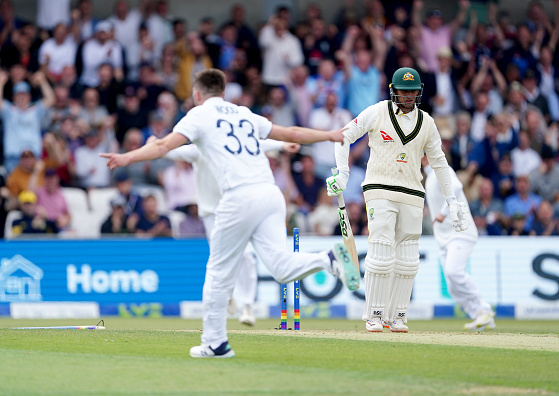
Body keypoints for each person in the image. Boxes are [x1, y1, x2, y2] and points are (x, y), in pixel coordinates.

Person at [100, 68, 359, 358]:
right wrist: (330, 134)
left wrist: (126, 157)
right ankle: (328, 259)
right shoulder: (244, 113)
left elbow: (162, 145)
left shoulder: (199, 115)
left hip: (240, 197)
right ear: (223, 92)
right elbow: (292, 132)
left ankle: (215, 343)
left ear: (197, 95)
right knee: (281, 268)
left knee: (218, 271)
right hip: (271, 194)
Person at [326, 67, 470, 333]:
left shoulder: (427, 122)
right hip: (379, 187)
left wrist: (452, 200)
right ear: (393, 91)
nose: (408, 96)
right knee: (381, 252)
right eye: (404, 92)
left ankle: (398, 316)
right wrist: (343, 173)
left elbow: (439, 163)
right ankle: (374, 314)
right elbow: (343, 136)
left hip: (413, 192)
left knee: (407, 258)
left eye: (412, 92)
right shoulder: (377, 111)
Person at [150, 134, 300, 327]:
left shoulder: (230, 145)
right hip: (210, 214)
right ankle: (227, 294)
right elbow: (170, 151)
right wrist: (154, 144)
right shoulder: (196, 151)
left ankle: (246, 305)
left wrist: (281, 143)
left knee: (245, 255)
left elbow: (256, 143)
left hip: (233, 208)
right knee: (219, 260)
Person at [422, 155, 496, 331]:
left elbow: (456, 186)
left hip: (460, 232)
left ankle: (484, 309)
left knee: (454, 272)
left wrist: (443, 212)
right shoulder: (429, 176)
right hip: (445, 238)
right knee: (452, 285)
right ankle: (480, 315)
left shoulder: (442, 168)